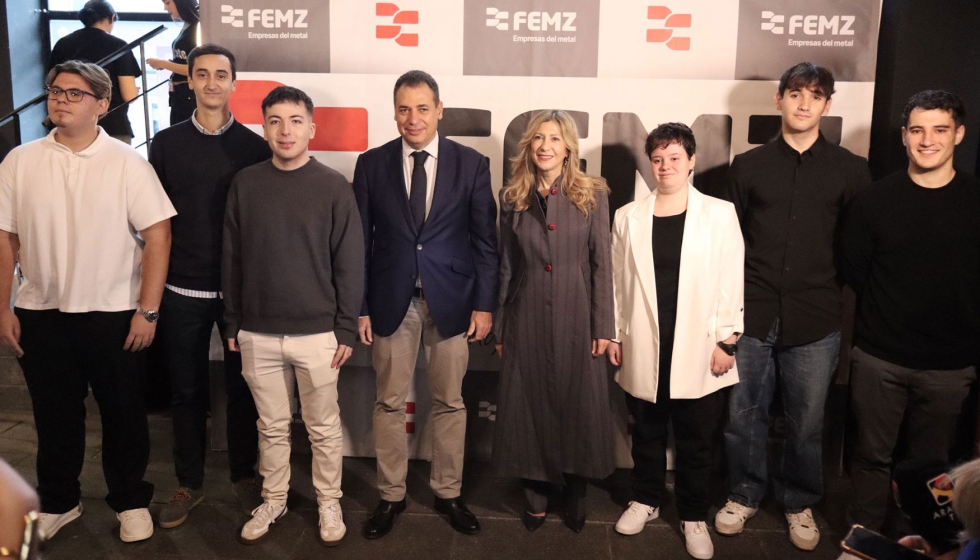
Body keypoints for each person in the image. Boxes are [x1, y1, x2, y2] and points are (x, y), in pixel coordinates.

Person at [0, 60, 176, 543]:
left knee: (123, 414)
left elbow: (158, 235)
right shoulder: (20, 160)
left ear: (102, 104)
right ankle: (59, 501)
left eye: (75, 94)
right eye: (56, 91)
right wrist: (4, 307)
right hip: (41, 311)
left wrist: (147, 308)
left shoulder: (127, 162)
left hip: (115, 311)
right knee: (54, 415)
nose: (60, 99)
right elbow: (6, 238)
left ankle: (131, 501)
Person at [716, 61, 872, 550]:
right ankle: (743, 493)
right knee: (743, 415)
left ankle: (798, 501)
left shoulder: (851, 170)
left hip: (816, 318)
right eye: (796, 94)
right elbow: (728, 243)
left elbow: (856, 247)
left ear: (828, 105)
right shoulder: (748, 166)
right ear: (778, 100)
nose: (805, 103)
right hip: (753, 314)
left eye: (816, 95)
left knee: (806, 423)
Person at [353, 69, 498, 539]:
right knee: (389, 403)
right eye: (403, 108)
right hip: (390, 300)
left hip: (453, 302)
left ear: (439, 109)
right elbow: (359, 243)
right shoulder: (371, 164)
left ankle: (448, 492)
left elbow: (485, 243)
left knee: (451, 403)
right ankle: (390, 496)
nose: (412, 118)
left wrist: (484, 304)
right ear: (393, 111)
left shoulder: (472, 164)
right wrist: (360, 305)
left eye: (421, 108)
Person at [222, 86, 363, 546]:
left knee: (323, 428)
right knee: (271, 427)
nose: (286, 130)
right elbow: (232, 259)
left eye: (295, 120)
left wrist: (344, 325)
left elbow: (350, 262)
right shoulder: (245, 183)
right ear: (263, 128)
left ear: (311, 128)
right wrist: (233, 322)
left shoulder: (333, 186)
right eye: (276, 121)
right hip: (256, 332)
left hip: (318, 333)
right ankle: (275, 498)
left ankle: (328, 501)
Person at [840, 90, 979, 533]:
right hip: (880, 357)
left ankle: (928, 537)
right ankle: (862, 537)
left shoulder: (976, 201)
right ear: (904, 136)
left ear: (958, 134)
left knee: (937, 466)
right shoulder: (874, 201)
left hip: (949, 366)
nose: (927, 140)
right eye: (917, 130)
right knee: (869, 457)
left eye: (940, 129)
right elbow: (854, 273)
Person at [608, 123, 744, 559]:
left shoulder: (719, 214)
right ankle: (646, 499)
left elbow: (731, 278)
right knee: (646, 432)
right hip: (645, 343)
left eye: (674, 158)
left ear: (691, 161)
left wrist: (728, 341)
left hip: (700, 345)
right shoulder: (628, 216)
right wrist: (615, 334)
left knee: (696, 439)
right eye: (658, 159)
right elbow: (615, 283)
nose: (665, 166)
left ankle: (692, 514)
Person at [149, 44, 270, 529]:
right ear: (190, 81)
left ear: (234, 83)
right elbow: (154, 221)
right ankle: (189, 484)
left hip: (239, 293)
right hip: (181, 289)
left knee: (245, 389)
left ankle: (244, 476)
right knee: (186, 392)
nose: (213, 82)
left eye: (222, 74)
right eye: (203, 74)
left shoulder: (255, 147)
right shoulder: (165, 144)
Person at [491, 110, 614, 534]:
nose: (546, 145)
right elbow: (506, 266)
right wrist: (502, 328)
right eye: (539, 138)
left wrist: (604, 327)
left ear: (568, 149)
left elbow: (603, 265)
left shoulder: (592, 193)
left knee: (579, 403)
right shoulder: (513, 197)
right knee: (528, 405)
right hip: (525, 316)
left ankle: (576, 492)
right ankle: (536, 494)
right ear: (529, 145)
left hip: (579, 315)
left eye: (556, 139)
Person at [48, 0, 141, 144]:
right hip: (112, 126)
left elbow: (52, 82)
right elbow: (129, 95)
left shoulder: (63, 43)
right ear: (112, 17)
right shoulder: (118, 45)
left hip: (68, 127)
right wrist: (135, 91)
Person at [147, 0, 198, 125]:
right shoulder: (189, 26)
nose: (165, 8)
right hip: (180, 95)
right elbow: (186, 62)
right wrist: (168, 64)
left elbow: (195, 68)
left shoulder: (199, 29)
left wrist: (163, 64)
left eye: (168, 3)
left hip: (189, 96)